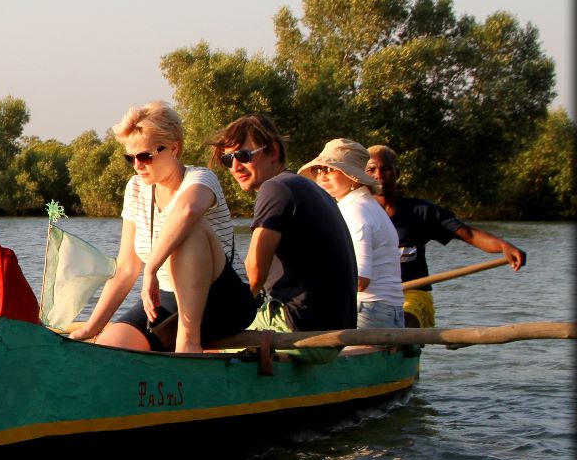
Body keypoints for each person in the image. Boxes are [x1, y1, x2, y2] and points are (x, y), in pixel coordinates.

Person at [68, 101, 255, 353]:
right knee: (109, 347)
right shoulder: (135, 188)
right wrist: (92, 327)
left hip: (223, 300)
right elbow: (125, 268)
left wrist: (151, 269)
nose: (137, 165)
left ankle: (188, 344)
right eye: (130, 158)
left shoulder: (201, 179)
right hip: (168, 299)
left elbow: (187, 211)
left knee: (189, 228)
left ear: (174, 149)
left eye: (145, 156)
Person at [209, 114, 357, 332]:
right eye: (228, 160)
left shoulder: (275, 189)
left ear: (274, 152)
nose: (235, 167)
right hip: (336, 326)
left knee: (204, 336)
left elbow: (254, 274)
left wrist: (211, 317)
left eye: (243, 155)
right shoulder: (308, 188)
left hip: (299, 325)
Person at [366, 144, 527, 328]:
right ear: (363, 176)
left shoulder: (422, 212)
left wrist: (503, 246)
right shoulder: (356, 213)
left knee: (403, 323)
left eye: (385, 168)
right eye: (371, 170)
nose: (378, 175)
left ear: (397, 173)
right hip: (372, 296)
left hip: (413, 295)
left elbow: (468, 233)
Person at [299, 139, 405, 329]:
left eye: (330, 170)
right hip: (387, 311)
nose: (322, 177)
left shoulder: (355, 211)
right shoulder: (367, 205)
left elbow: (360, 281)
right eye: (319, 170)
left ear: (353, 176)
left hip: (368, 310)